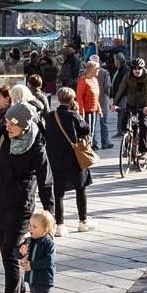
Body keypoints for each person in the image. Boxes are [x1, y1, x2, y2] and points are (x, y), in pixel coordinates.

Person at [0, 101, 52, 293]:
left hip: (20, 206)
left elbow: (45, 177)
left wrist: (49, 210)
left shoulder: (36, 143)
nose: (8, 126)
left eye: (13, 124)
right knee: (5, 254)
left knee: (12, 255)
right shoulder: (2, 136)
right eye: (7, 122)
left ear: (24, 125)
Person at [42, 87, 92, 230]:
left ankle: (60, 225)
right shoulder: (73, 115)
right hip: (74, 159)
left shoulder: (50, 116)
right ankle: (83, 221)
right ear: (72, 99)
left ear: (58, 99)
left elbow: (46, 134)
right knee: (80, 189)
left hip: (56, 159)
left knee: (58, 192)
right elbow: (85, 129)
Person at [20, 209, 58, 293]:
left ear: (46, 229)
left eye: (35, 226)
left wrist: (32, 265)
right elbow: (18, 253)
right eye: (30, 225)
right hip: (31, 277)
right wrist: (21, 252)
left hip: (44, 278)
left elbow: (49, 260)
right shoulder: (29, 240)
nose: (31, 228)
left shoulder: (48, 243)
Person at [116, 57, 147, 156]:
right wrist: (114, 103)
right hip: (131, 103)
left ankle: (143, 149)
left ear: (143, 68)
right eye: (135, 68)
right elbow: (120, 90)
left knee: (144, 125)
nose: (137, 70)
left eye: (139, 68)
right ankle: (127, 145)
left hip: (143, 105)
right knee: (125, 122)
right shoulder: (127, 76)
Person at [77, 60, 110, 151]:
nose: (99, 70)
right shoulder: (83, 80)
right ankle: (87, 149)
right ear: (91, 69)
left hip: (93, 110)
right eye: (97, 68)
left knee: (92, 130)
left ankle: (89, 148)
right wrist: (81, 111)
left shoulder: (94, 80)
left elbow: (96, 96)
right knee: (88, 131)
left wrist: (99, 109)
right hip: (86, 111)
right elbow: (79, 97)